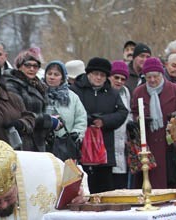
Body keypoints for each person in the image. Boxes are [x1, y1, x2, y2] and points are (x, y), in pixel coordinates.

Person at [71, 57, 128, 193]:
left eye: (102, 75)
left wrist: (104, 121)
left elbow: (122, 112)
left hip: (104, 148)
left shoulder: (112, 93)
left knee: (103, 190)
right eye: (96, 74)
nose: (98, 78)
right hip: (80, 146)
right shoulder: (75, 90)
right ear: (88, 74)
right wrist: (89, 120)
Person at [131, 57, 176, 189]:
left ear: (162, 74)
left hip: (169, 145)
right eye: (149, 77)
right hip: (148, 144)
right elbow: (134, 113)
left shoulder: (175, 90)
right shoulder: (139, 92)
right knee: (150, 178)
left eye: (155, 76)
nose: (152, 80)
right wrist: (139, 119)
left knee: (168, 179)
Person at [44, 61, 87, 149]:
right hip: (41, 144)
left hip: (65, 146)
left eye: (56, 74)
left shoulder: (72, 97)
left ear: (63, 78)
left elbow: (81, 119)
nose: (52, 77)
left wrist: (75, 137)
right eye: (49, 74)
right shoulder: (38, 93)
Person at [108, 61, 132, 189]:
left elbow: (127, 113)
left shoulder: (125, 92)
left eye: (123, 79)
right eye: (116, 77)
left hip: (122, 146)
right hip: (108, 146)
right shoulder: (105, 92)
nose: (119, 81)